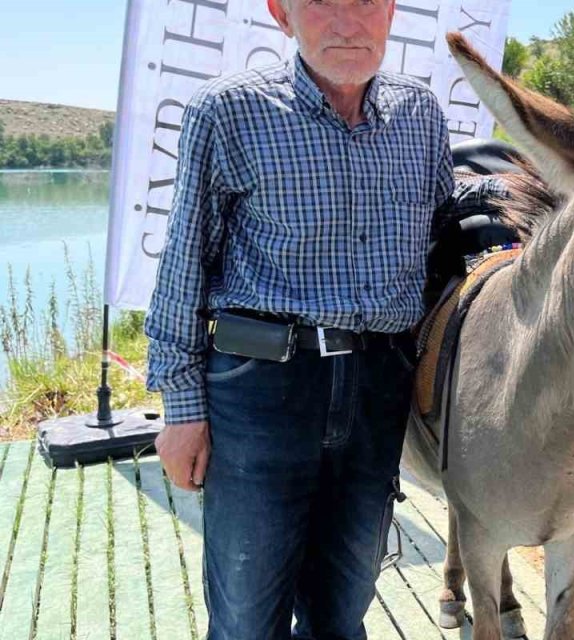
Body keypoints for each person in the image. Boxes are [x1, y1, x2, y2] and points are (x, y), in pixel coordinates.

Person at [143, 0, 454, 637]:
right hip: (261, 390)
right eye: (322, 3)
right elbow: (183, 264)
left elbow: (440, 249)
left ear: (392, 12)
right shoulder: (229, 111)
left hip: (377, 389)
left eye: (367, 1)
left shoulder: (421, 115)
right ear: (282, 14)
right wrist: (180, 408)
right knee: (248, 619)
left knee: (342, 613)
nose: (348, 21)